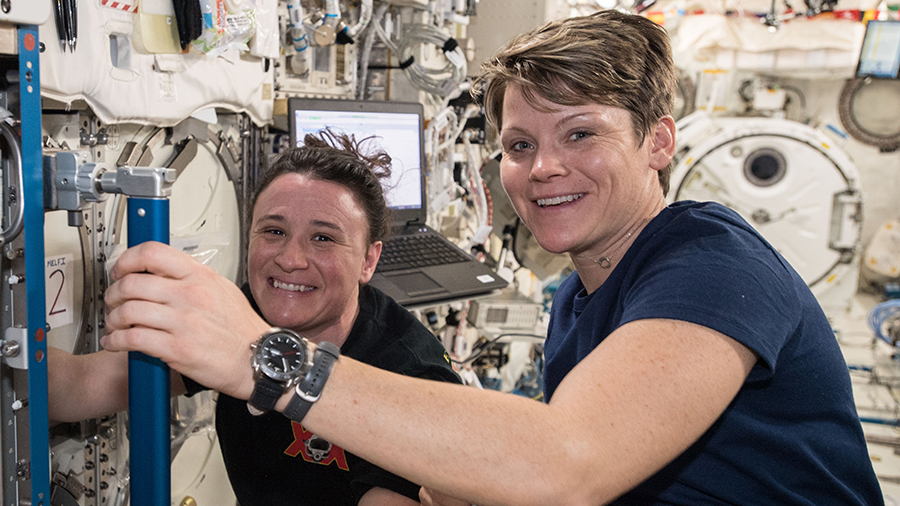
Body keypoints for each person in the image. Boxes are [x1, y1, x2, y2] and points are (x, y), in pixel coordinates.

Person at [99, 10, 883, 506]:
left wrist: (259, 359)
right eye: (519, 145)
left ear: (658, 141)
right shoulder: (581, 302)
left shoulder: (714, 261)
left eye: (579, 133)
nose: (542, 169)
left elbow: (567, 465)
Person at [48, 130, 461, 506]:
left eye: (323, 238)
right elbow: (76, 387)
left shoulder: (409, 374)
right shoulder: (240, 315)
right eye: (274, 231)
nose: (290, 260)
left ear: (369, 260)